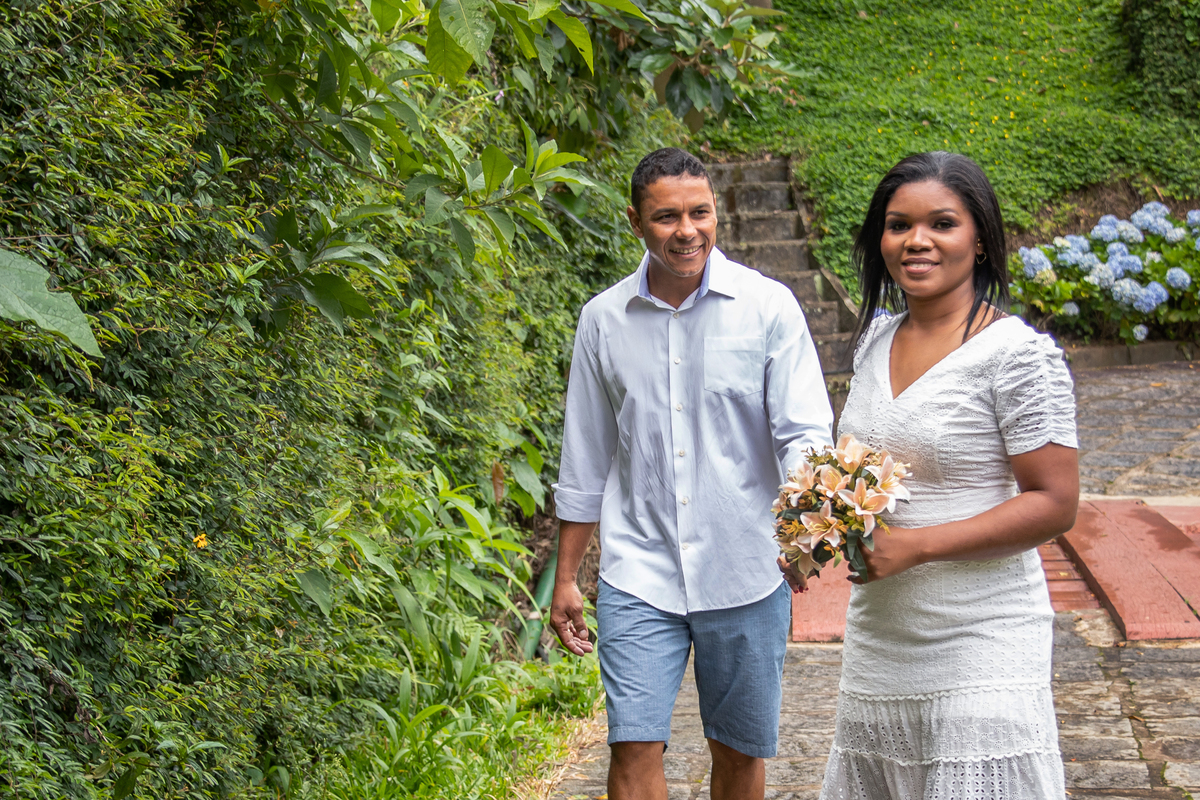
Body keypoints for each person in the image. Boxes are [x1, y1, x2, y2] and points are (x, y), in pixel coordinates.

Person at [550, 147, 833, 800]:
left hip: (746, 569)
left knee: (738, 754)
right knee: (632, 747)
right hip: (638, 571)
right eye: (667, 216)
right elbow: (585, 454)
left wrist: (803, 534)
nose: (687, 231)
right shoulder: (603, 320)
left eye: (700, 213)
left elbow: (803, 435)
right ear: (635, 222)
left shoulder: (768, 308)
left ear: (716, 213)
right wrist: (567, 577)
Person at [805, 151, 1079, 799]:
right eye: (898, 225)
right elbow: (861, 467)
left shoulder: (1017, 356)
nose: (916, 241)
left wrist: (916, 545)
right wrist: (812, 530)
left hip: (983, 631)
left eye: (942, 224)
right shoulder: (875, 338)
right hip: (883, 634)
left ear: (978, 238)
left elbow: (1055, 502)